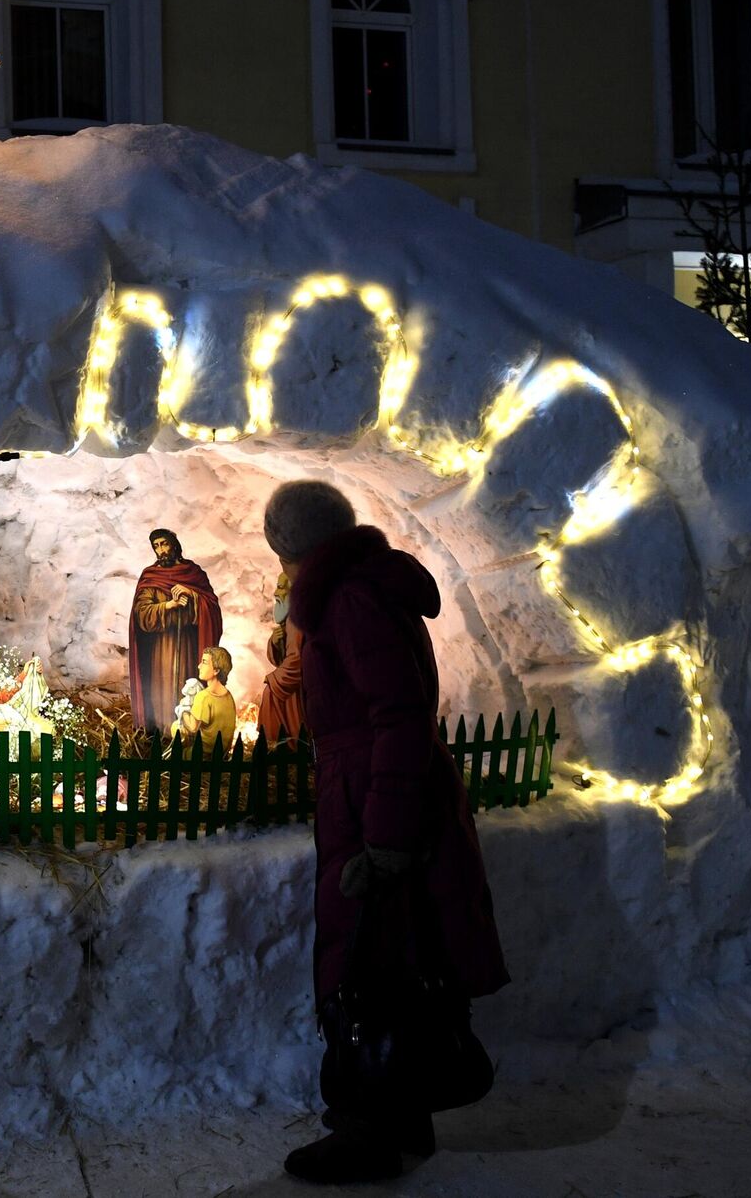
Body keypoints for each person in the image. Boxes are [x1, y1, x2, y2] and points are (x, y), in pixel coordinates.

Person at [262, 479, 509, 1184]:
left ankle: (366, 1131)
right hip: (368, 792)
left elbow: (398, 715)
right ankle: (403, 1119)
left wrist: (385, 836)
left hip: (375, 797)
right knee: (393, 953)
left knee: (365, 965)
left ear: (290, 545)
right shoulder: (358, 588)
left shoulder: (349, 599)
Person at [128, 529, 222, 733]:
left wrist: (193, 595)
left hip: (188, 646)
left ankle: (187, 734)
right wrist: (168, 606)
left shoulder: (193, 573)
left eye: (164, 544)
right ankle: (162, 735)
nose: (161, 550)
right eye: (156, 546)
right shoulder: (151, 576)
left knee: (186, 687)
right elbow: (141, 613)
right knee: (161, 692)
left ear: (174, 545)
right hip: (160, 649)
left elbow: (212, 607)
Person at [256, 570, 305, 744]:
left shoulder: (297, 623)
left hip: (299, 689)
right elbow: (282, 658)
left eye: (281, 588)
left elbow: (296, 661)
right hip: (295, 685)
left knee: (270, 692)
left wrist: (273, 679)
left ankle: (278, 743)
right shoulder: (289, 622)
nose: (276, 593)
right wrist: (276, 643)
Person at [175, 645, 239, 753]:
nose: (199, 666)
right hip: (221, 754)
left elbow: (192, 727)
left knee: (175, 728)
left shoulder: (204, 696)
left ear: (216, 670)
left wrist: (183, 708)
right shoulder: (228, 696)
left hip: (203, 754)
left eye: (204, 662)